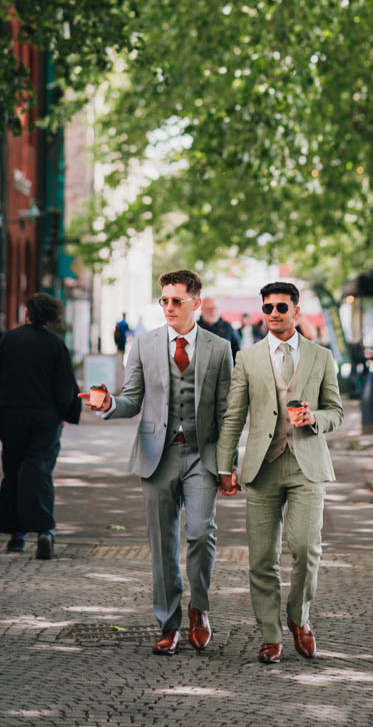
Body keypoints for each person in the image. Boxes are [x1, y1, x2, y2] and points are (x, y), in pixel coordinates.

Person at [82, 269, 233, 655]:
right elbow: (131, 398)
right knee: (162, 543)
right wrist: (109, 403)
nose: (168, 307)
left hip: (202, 453)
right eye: (163, 300)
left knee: (200, 532)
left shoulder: (218, 348)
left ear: (195, 303)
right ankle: (168, 624)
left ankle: (199, 608)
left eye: (176, 300)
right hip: (157, 455)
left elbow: (228, 412)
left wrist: (228, 463)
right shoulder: (144, 345)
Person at [216, 281, 343, 665]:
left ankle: (299, 618)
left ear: (296, 312)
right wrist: (226, 465)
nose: (273, 314)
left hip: (306, 463)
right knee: (261, 558)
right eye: (268, 308)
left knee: (306, 549)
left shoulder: (321, 357)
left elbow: (336, 411)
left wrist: (314, 417)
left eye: (281, 308)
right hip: (262, 467)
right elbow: (235, 415)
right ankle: (271, 635)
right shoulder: (248, 358)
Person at [0, 292, 80, 560]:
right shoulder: (56, 345)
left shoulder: (8, 340)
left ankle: (17, 535)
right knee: (39, 470)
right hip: (45, 417)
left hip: (11, 414)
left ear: (27, 313)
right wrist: (63, 413)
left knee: (13, 470)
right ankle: (44, 530)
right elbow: (66, 385)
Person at [199, 296, 242, 361]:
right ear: (202, 310)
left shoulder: (228, 327)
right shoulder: (195, 327)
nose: (212, 311)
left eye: (215, 308)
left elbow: (236, 350)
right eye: (209, 308)